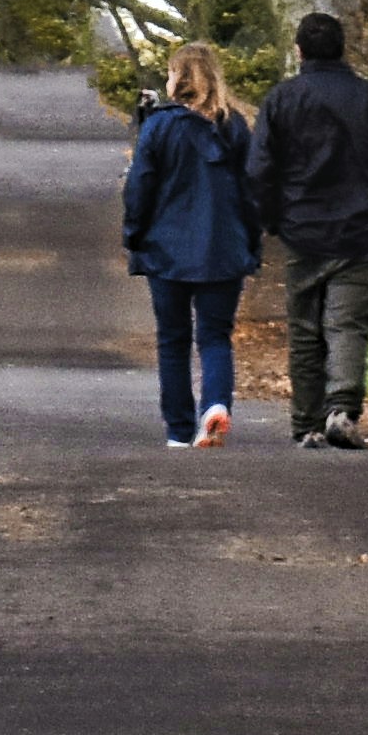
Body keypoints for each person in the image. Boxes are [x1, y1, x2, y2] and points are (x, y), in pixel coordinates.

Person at [249, 8, 368, 451]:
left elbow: (260, 169)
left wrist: (271, 220)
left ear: (299, 50)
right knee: (346, 324)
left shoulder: (281, 100)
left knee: (305, 328)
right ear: (343, 48)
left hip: (303, 229)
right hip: (362, 230)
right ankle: (341, 408)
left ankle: (306, 423)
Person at [118, 42, 260, 447]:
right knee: (215, 336)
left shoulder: (159, 126)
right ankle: (215, 405)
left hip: (166, 251)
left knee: (173, 339)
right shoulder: (234, 126)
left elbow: (139, 186)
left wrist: (134, 235)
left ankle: (179, 430)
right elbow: (252, 192)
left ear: (176, 77)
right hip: (223, 248)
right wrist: (250, 242)